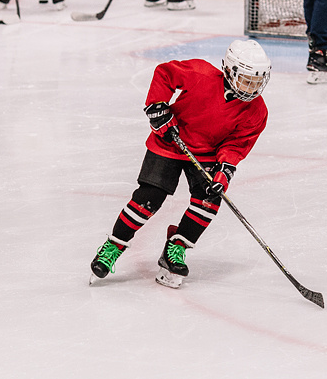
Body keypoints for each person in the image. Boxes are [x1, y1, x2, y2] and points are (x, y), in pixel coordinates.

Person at [89, 40, 271, 288]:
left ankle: (176, 247)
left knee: (209, 201)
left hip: (207, 153)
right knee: (148, 198)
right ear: (229, 70)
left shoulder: (257, 111)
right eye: (247, 80)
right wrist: (157, 106)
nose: (252, 88)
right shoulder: (201, 74)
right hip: (169, 142)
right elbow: (165, 73)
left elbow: (236, 145)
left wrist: (224, 171)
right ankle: (113, 245)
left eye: (257, 82)